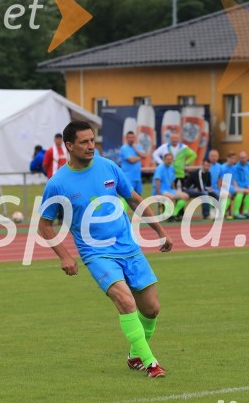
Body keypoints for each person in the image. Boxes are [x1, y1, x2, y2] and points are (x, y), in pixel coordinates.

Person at [38, 120, 171, 378]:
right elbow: (44, 225)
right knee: (125, 300)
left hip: (128, 247)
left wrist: (160, 231)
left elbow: (133, 198)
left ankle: (135, 355)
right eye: (84, 142)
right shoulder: (57, 184)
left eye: (92, 140)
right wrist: (65, 256)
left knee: (152, 309)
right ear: (69, 145)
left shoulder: (108, 166)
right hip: (96, 253)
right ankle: (151, 363)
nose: (91, 146)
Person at [153, 152, 189, 221]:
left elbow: (172, 181)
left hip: (169, 190)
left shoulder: (171, 168)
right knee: (171, 197)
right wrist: (158, 193)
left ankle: (174, 214)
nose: (169, 161)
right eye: (167, 159)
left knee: (185, 196)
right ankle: (168, 215)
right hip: (161, 190)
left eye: (170, 159)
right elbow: (157, 181)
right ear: (164, 160)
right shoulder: (160, 168)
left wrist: (175, 191)